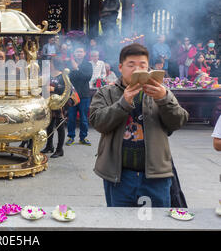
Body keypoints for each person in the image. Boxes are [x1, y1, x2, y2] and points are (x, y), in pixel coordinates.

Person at [89, 43, 189, 207]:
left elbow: (179, 121)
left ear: (148, 68)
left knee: (155, 223)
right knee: (120, 223)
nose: (137, 69)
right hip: (119, 177)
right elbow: (98, 122)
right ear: (120, 67)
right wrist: (123, 103)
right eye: (131, 65)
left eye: (142, 65)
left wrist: (164, 99)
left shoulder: (160, 92)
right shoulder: (106, 93)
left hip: (155, 176)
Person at [66, 45, 93, 146]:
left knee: (84, 118)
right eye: (77, 51)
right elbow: (69, 78)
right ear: (74, 54)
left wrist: (76, 69)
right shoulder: (69, 65)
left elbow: (87, 77)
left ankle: (83, 137)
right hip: (72, 95)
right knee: (71, 117)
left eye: (81, 51)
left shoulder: (88, 65)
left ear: (84, 53)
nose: (79, 53)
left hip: (84, 95)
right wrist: (76, 72)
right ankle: (71, 137)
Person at [41, 56, 66, 158]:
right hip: (48, 103)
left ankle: (59, 149)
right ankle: (49, 146)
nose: (49, 64)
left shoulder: (63, 76)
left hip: (59, 104)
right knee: (49, 126)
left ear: (55, 63)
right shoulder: (48, 75)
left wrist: (53, 88)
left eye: (51, 62)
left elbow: (66, 89)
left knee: (60, 126)